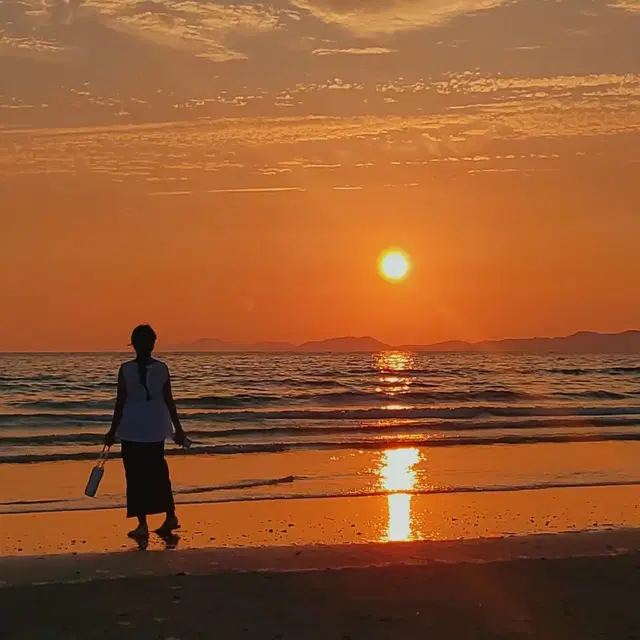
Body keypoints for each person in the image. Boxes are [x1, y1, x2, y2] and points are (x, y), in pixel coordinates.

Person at [105, 324, 187, 539]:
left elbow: (120, 402)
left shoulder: (126, 369)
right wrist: (178, 429)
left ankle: (143, 524)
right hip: (154, 429)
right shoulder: (161, 368)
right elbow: (169, 401)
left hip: (132, 429)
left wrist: (112, 431)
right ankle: (170, 516)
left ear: (133, 345)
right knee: (159, 475)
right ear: (153, 343)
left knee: (135, 477)